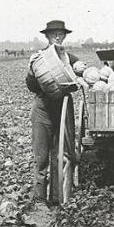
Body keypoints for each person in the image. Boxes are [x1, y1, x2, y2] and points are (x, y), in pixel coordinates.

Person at [25, 20, 88, 207]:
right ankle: (39, 199)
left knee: (62, 155)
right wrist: (31, 74)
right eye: (54, 34)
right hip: (43, 108)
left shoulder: (71, 59)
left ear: (65, 36)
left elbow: (81, 77)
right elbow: (31, 86)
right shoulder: (39, 58)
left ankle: (57, 196)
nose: (58, 37)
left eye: (61, 34)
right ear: (47, 36)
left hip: (63, 107)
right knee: (41, 156)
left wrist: (82, 71)